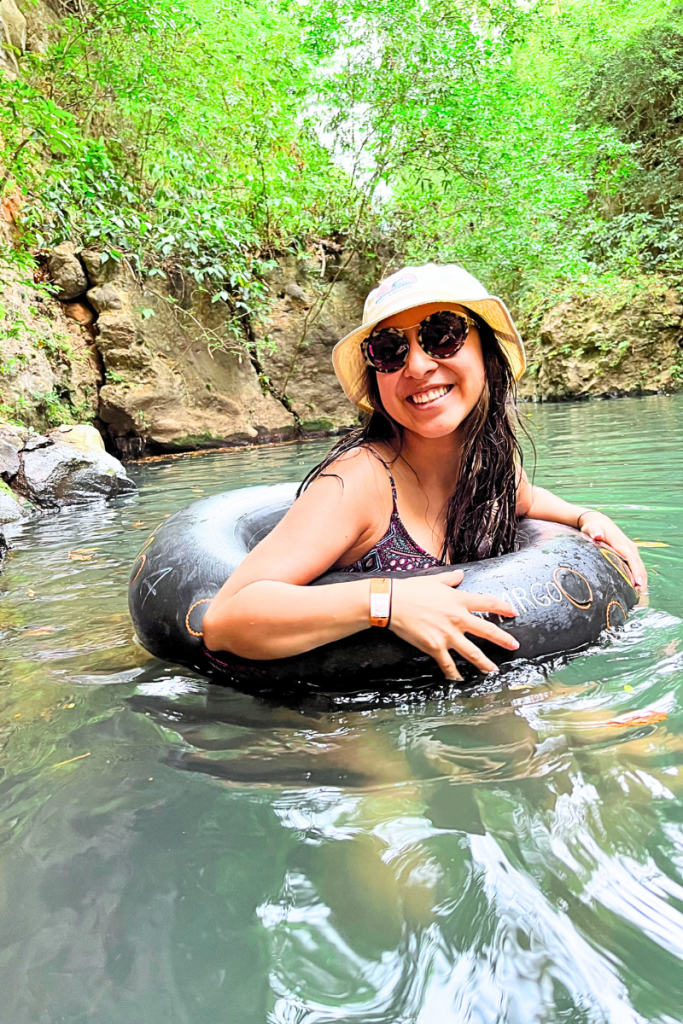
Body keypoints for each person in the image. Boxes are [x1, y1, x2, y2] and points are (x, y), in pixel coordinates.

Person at [202, 264, 647, 680]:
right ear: (376, 376)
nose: (416, 366)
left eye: (443, 335)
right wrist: (385, 602)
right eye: (389, 350)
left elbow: (526, 499)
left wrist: (585, 517)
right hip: (345, 710)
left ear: (486, 353)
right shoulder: (358, 482)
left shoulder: (486, 463)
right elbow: (224, 621)